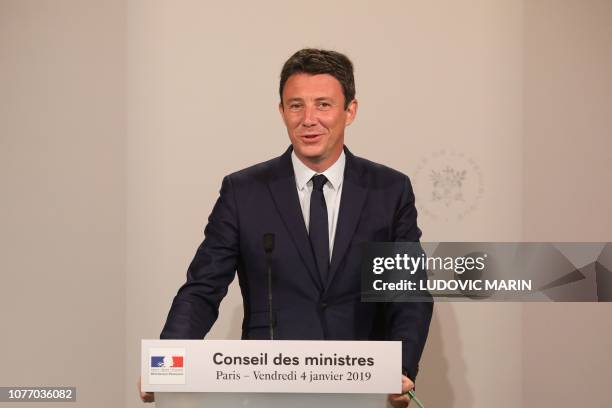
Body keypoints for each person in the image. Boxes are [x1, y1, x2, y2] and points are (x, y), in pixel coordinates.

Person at [139, 48, 433, 408]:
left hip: (362, 388)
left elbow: (408, 293)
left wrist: (400, 369)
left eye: (323, 104)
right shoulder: (243, 191)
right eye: (296, 106)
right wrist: (166, 366)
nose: (308, 119)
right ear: (282, 111)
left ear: (350, 111)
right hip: (270, 392)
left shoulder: (389, 190)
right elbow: (202, 289)